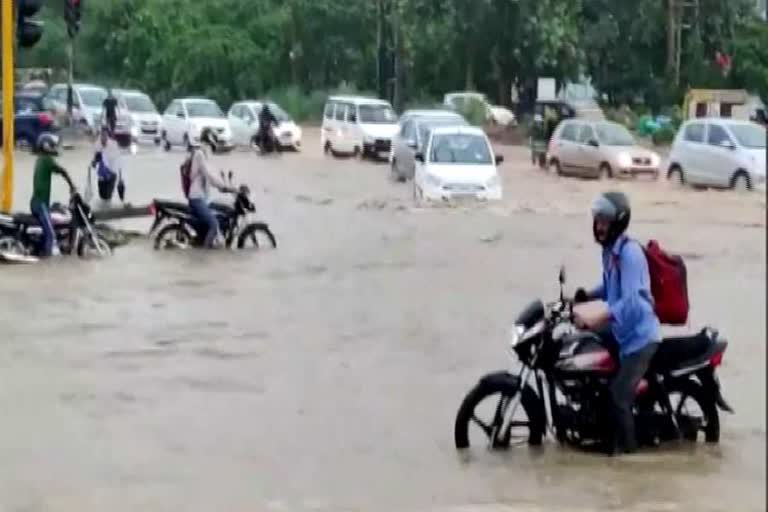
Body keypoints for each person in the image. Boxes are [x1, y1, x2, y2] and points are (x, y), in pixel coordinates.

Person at [573, 191, 661, 455]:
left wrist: (597, 317)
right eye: (597, 220)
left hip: (640, 339)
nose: (599, 227)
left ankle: (628, 455)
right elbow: (611, 287)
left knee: (618, 396)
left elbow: (633, 301)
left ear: (618, 223)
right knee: (581, 346)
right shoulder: (611, 251)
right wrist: (584, 296)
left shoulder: (630, 253)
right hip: (621, 330)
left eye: (604, 222)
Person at [186, 129, 233, 248]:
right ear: (209, 140)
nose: (214, 145)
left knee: (221, 215)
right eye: (213, 141)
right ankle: (205, 255)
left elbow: (213, 174)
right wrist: (224, 187)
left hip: (203, 198)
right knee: (214, 225)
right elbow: (209, 175)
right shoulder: (200, 154)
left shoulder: (204, 155)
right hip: (196, 198)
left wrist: (225, 185)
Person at [30, 134, 72, 257]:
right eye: (52, 145)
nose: (54, 147)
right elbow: (62, 171)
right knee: (51, 234)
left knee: (49, 228)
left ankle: (42, 250)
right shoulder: (47, 160)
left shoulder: (40, 159)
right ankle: (47, 261)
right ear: (46, 146)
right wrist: (72, 186)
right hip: (40, 204)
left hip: (37, 202)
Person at [90, 128, 124, 203]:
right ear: (100, 135)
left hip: (112, 173)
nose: (103, 137)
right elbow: (94, 162)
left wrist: (120, 177)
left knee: (108, 197)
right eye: (102, 135)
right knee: (102, 196)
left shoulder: (113, 145)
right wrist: (94, 162)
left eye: (105, 135)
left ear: (107, 136)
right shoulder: (97, 145)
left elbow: (119, 160)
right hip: (101, 175)